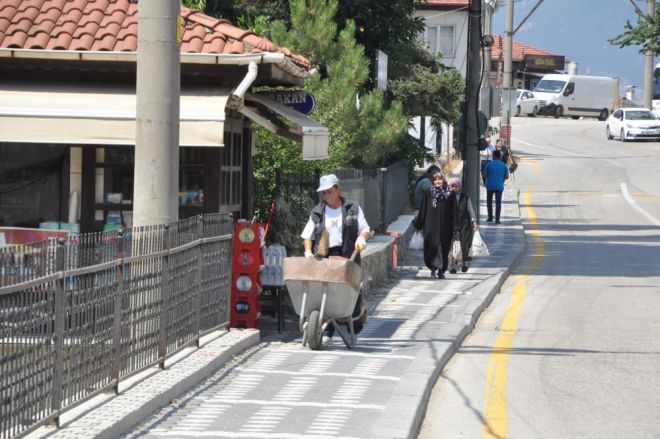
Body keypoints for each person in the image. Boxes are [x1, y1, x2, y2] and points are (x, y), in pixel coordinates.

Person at [300, 174, 370, 341]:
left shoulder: (353, 208)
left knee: (351, 291)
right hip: (325, 258)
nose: (327, 195)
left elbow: (365, 228)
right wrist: (308, 252)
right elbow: (307, 236)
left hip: (348, 255)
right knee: (325, 291)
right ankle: (327, 329)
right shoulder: (317, 212)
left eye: (329, 191)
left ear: (338, 189)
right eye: (323, 193)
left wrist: (362, 238)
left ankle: (353, 325)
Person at [414, 171, 453, 279]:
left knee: (443, 248)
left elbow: (454, 210)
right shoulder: (428, 193)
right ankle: (432, 269)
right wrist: (419, 225)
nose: (437, 182)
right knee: (432, 247)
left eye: (440, 179)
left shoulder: (449, 194)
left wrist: (456, 226)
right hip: (430, 226)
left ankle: (441, 270)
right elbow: (423, 209)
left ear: (443, 180)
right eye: (435, 180)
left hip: (445, 226)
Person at [448, 177, 478, 273]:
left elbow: (470, 209)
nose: (454, 188)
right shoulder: (447, 196)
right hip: (451, 224)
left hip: (465, 224)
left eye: (456, 185)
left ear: (459, 186)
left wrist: (474, 221)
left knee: (465, 245)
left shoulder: (465, 197)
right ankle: (452, 266)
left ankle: (465, 262)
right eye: (452, 186)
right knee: (452, 246)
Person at [483, 149, 509, 224]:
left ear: (493, 156)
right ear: (500, 156)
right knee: (498, 202)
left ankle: (490, 217)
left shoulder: (489, 164)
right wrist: (502, 178)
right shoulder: (504, 165)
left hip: (490, 186)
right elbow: (507, 176)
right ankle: (497, 220)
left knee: (489, 201)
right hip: (499, 186)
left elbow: (484, 174)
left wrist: (489, 176)